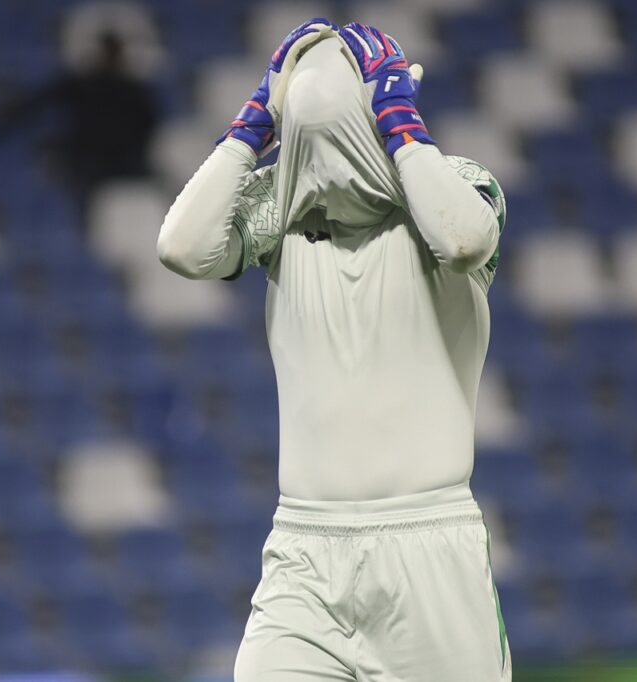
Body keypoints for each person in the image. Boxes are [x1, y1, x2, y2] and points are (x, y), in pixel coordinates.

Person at [157, 19, 510, 682]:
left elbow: (464, 241)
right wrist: (248, 131)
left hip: (427, 545)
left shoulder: (460, 185)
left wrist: (401, 129)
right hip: (302, 553)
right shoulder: (281, 209)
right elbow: (181, 248)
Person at [0, 30, 158, 211]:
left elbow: (149, 127)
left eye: (113, 52)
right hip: (85, 161)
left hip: (123, 162)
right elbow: (42, 101)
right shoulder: (82, 85)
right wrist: (12, 113)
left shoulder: (134, 92)